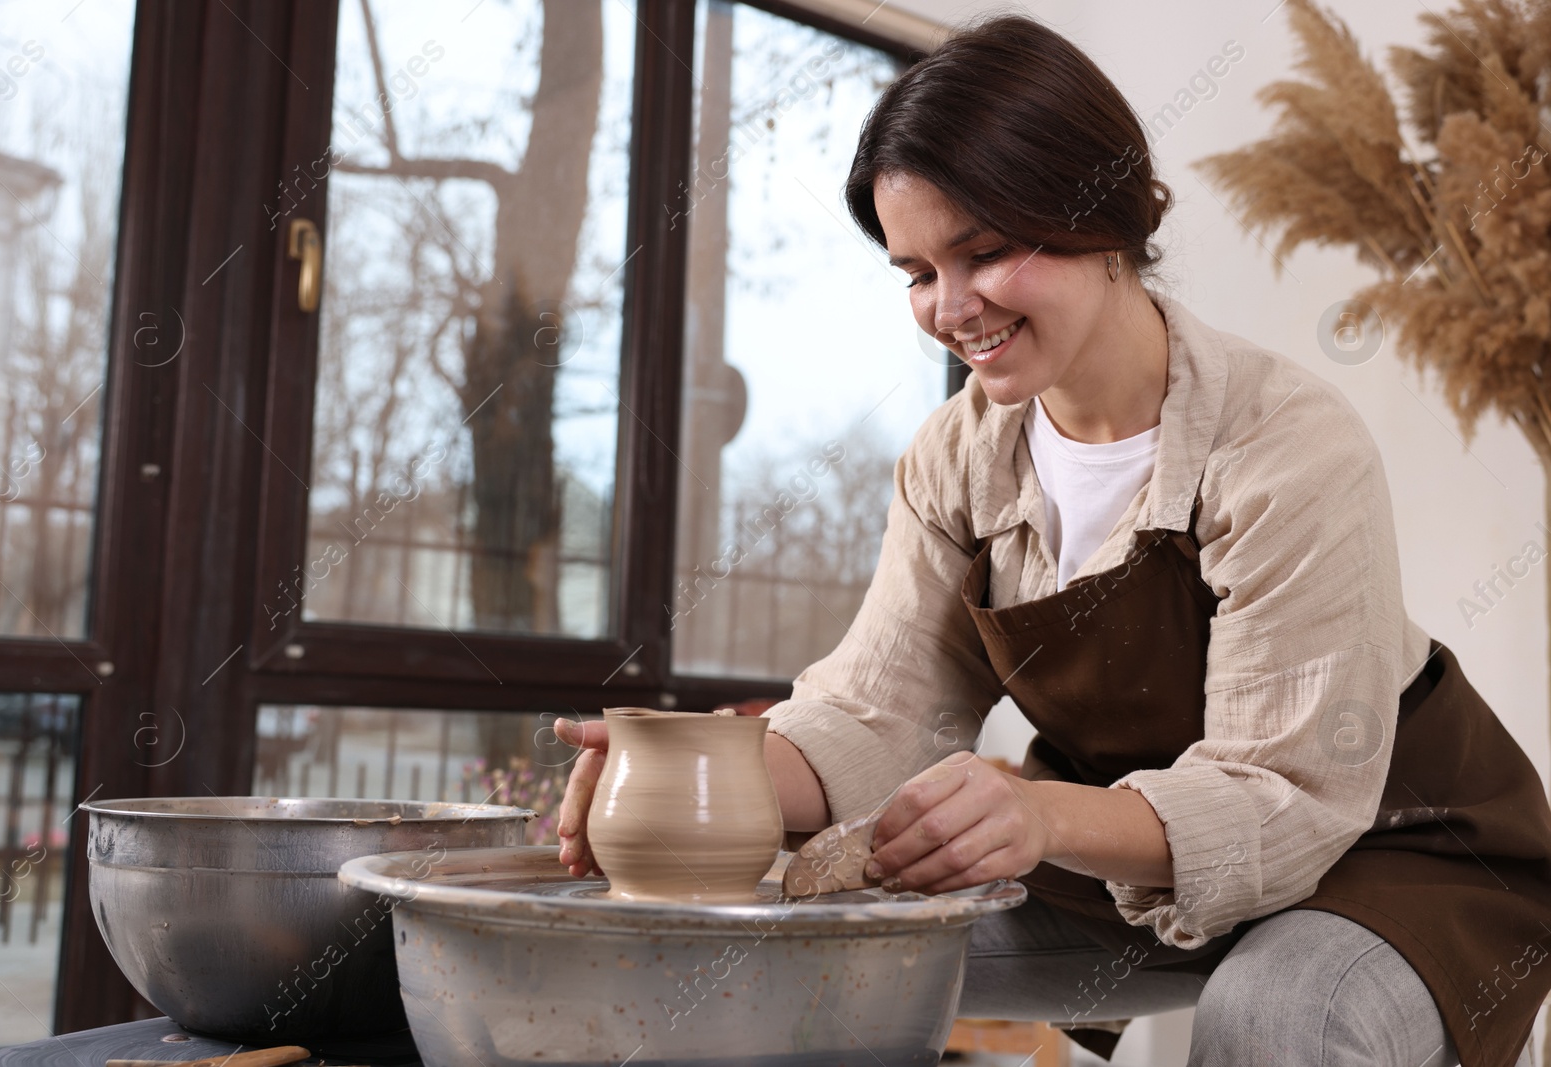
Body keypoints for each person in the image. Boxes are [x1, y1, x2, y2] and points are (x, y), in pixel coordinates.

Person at [556, 15, 1551, 1067]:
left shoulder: (1285, 444)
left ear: (1106, 215)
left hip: (1392, 850)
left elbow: (1283, 795)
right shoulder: (955, 459)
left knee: (1274, 1012)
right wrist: (704, 767)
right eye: (915, 270)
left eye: (983, 252)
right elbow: (877, 712)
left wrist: (1038, 816)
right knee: (817, 955)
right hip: (1118, 856)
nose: (949, 307)